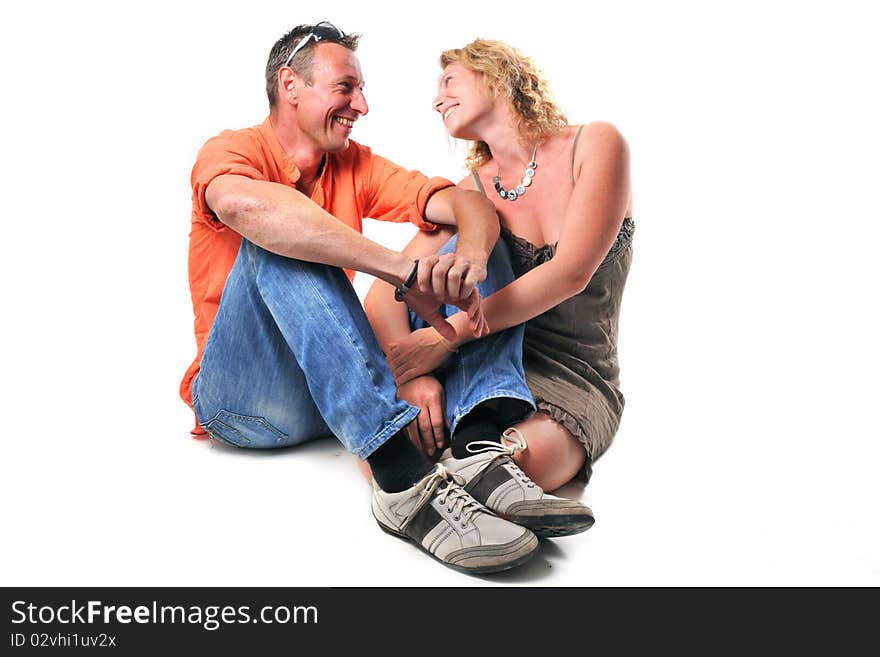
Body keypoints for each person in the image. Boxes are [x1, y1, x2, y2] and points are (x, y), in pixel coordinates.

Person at [180, 22, 586, 575]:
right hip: (242, 404)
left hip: (327, 398)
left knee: (480, 237)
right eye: (346, 87)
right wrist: (403, 272)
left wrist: (466, 256)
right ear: (290, 85)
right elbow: (244, 208)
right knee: (281, 238)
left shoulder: (354, 162)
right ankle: (401, 481)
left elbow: (467, 203)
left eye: (361, 89)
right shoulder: (230, 149)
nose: (362, 105)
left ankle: (477, 445)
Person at [364, 38, 633, 505]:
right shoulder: (472, 194)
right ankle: (440, 460)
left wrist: (444, 338)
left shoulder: (596, 143)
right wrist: (412, 375)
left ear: (495, 72)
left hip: (573, 370)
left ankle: (464, 470)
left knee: (516, 469)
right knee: (461, 247)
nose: (437, 99)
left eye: (449, 80)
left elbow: (570, 273)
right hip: (485, 363)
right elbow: (383, 294)